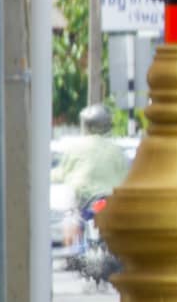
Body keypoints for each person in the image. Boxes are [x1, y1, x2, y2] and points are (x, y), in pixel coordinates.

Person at [55, 104, 130, 246]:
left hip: (84, 201)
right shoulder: (116, 151)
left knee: (70, 217)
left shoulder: (75, 147)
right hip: (108, 202)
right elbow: (125, 178)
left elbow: (63, 173)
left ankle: (73, 247)